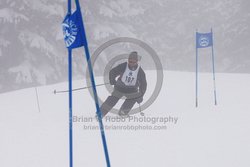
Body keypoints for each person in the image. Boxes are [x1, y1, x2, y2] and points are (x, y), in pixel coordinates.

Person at [100, 51, 147, 118]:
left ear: (137, 62)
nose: (132, 64)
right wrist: (112, 80)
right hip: (120, 87)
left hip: (132, 89)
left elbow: (143, 85)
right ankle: (101, 112)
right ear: (128, 60)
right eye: (130, 61)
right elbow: (113, 72)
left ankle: (123, 112)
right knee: (113, 98)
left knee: (133, 98)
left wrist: (140, 95)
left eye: (134, 62)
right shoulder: (123, 66)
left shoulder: (140, 71)